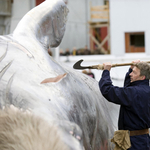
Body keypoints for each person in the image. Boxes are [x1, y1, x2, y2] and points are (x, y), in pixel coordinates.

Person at [99, 60, 150, 150]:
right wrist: (131, 69)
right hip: (142, 139)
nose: (130, 74)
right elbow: (129, 90)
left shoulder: (134, 92)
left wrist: (106, 72)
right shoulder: (144, 90)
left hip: (133, 143)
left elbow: (107, 90)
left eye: (134, 72)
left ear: (142, 77)